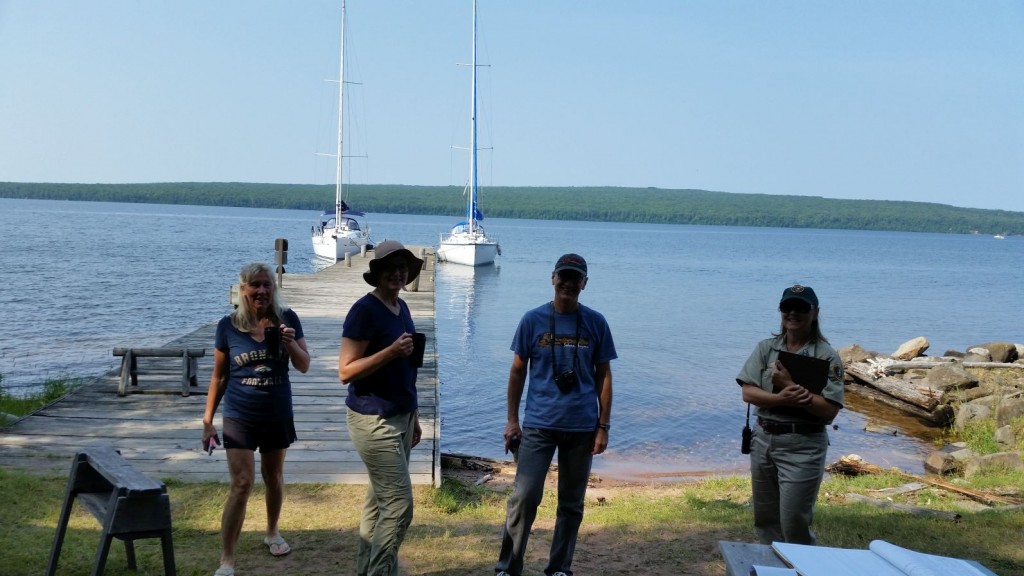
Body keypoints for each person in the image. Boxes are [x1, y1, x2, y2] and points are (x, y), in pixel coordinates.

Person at [495, 253, 616, 576]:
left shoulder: (596, 323)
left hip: (581, 428)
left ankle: (559, 568)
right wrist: (511, 420)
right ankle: (508, 568)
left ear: (584, 284)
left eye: (575, 278)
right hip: (538, 425)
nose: (568, 283)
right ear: (552, 278)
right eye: (563, 276)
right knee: (524, 497)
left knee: (571, 504)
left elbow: (604, 376)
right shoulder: (532, 320)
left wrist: (603, 425)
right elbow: (518, 371)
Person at [202, 262, 310, 576]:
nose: (261, 290)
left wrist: (290, 343)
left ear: (273, 289)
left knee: (274, 477)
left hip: (277, 413)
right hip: (240, 415)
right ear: (243, 290)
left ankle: (272, 531)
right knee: (241, 483)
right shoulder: (228, 326)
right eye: (255, 285)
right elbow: (219, 377)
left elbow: (304, 366)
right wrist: (208, 420)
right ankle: (227, 559)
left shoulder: (287, 319)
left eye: (267, 284)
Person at [338, 240, 425, 576]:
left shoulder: (401, 307)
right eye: (391, 267)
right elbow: (345, 371)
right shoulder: (364, 310)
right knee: (400, 507)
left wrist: (414, 416)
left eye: (403, 267)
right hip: (373, 420)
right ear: (377, 273)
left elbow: (407, 370)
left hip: (401, 417)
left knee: (379, 504)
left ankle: (367, 570)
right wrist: (389, 351)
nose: (398, 273)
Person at [736, 284, 844, 545]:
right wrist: (779, 398)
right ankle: (772, 569)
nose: (793, 313)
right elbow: (748, 393)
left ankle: (804, 568)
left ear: (815, 312)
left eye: (801, 307)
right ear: (780, 311)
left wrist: (788, 386)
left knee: (794, 521)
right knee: (765, 519)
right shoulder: (766, 348)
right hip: (763, 440)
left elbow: (829, 410)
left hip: (803, 444)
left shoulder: (826, 356)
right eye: (787, 307)